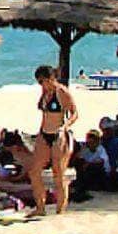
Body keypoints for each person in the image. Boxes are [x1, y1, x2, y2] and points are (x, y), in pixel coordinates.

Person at [27, 65, 78, 215]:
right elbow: (44, 113)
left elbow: (75, 113)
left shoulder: (62, 92)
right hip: (44, 133)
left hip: (59, 133)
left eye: (42, 81)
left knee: (58, 173)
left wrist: (65, 127)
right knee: (35, 172)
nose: (40, 84)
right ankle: (40, 207)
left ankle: (60, 210)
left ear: (50, 79)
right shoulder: (45, 92)